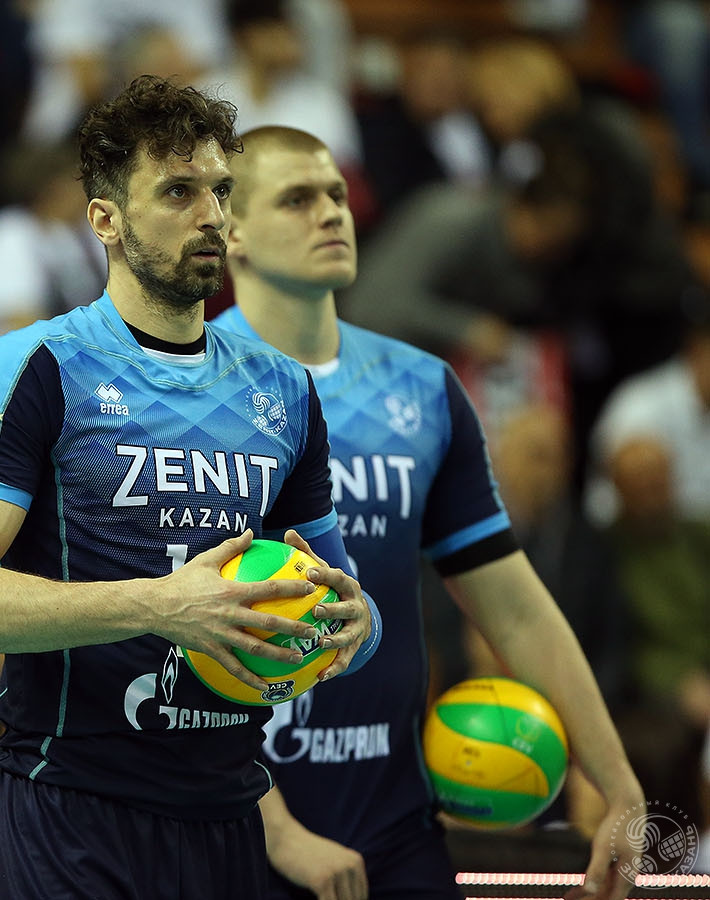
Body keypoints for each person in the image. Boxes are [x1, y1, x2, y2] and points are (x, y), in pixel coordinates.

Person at [0, 75, 381, 899]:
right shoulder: (35, 366)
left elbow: (349, 611)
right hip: (72, 814)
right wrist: (160, 606)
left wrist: (354, 624)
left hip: (230, 816)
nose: (212, 215)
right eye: (178, 191)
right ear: (106, 220)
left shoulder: (285, 390)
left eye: (221, 191)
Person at [212, 125, 646, 899]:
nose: (331, 213)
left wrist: (617, 782)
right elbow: (158, 645)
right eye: (297, 199)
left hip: (396, 826)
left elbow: (513, 606)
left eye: (336, 194)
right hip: (234, 828)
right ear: (230, 231)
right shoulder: (184, 391)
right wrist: (278, 832)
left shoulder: (423, 387)